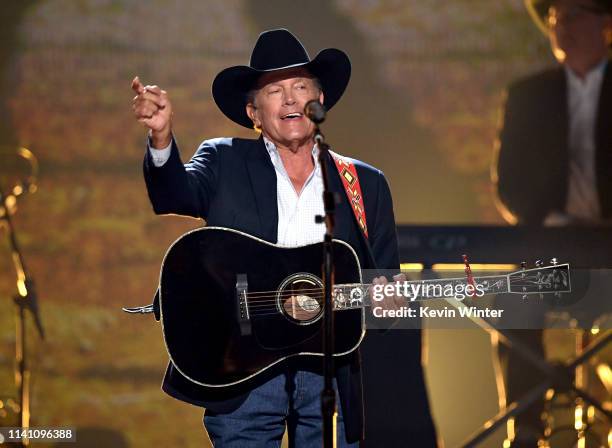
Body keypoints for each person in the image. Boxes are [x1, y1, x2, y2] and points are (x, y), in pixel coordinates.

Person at [132, 29, 437, 446]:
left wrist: (387, 305)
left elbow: (381, 290)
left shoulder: (365, 183)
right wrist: (161, 138)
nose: (291, 99)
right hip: (242, 374)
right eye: (275, 90)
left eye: (301, 86)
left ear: (320, 100)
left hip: (328, 375)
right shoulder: (223, 159)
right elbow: (173, 195)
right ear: (254, 113)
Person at [492, 0, 612, 445]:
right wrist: (553, 220)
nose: (563, 27)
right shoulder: (528, 95)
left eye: (575, 15)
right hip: (555, 250)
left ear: (606, 25)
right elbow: (510, 184)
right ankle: (525, 424)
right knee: (512, 296)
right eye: (556, 18)